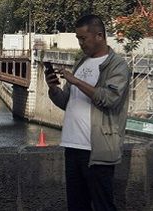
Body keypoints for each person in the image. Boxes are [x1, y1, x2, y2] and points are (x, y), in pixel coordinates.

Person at [44, 14, 131, 211]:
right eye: (78, 38)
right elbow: (66, 102)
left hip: (97, 150)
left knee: (103, 205)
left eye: (83, 38)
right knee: (76, 205)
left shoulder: (117, 66)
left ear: (99, 36)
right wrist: (53, 89)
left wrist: (75, 81)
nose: (80, 43)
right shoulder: (81, 63)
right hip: (72, 146)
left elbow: (109, 98)